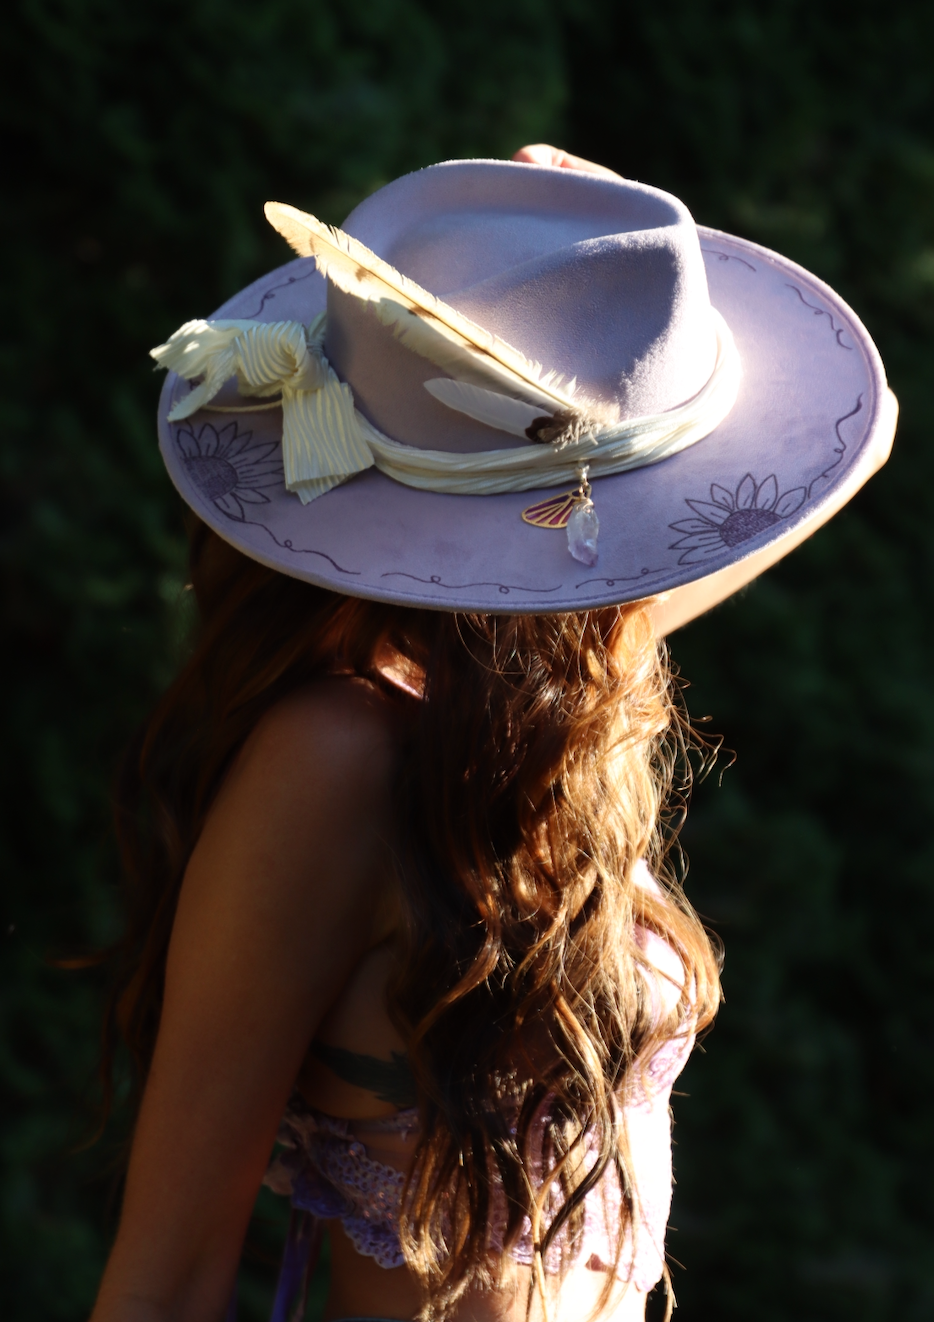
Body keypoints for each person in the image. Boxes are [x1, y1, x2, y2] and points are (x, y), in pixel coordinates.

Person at [88, 145, 895, 1322]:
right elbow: (164, 1280)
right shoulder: (335, 758)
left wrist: (604, 253)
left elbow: (857, 438)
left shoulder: (560, 692)